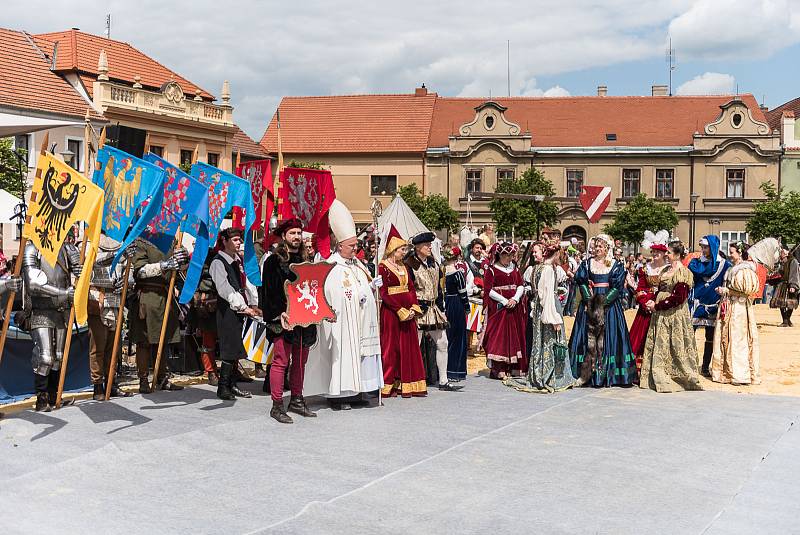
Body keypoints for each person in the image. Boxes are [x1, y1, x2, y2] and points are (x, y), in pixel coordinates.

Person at [309, 200, 383, 410]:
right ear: (339, 245)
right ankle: (339, 396)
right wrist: (357, 295)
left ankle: (356, 392)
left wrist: (371, 286)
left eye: (356, 245)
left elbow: (362, 287)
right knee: (342, 358)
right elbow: (332, 292)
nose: (355, 249)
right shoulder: (332, 266)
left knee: (359, 357)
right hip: (341, 322)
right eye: (351, 246)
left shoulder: (357, 264)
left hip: (359, 321)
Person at [260, 219, 318, 423]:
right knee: (281, 361)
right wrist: (278, 313)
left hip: (304, 319)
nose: (296, 237)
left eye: (298, 233)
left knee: (300, 362)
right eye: (292, 233)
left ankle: (297, 399)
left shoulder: (306, 260)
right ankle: (277, 406)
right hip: (282, 319)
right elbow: (267, 292)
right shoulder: (273, 261)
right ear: (284, 236)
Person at [569, 234, 636, 387]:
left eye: (601, 246)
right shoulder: (587, 264)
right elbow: (582, 282)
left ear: (607, 248)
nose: (597, 249)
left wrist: (603, 303)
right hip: (589, 305)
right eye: (596, 246)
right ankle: (586, 373)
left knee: (608, 338)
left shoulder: (615, 265)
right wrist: (590, 300)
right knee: (587, 337)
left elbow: (617, 287)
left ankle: (608, 375)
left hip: (609, 308)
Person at [508, 241, 575, 393]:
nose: (533, 254)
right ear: (555, 254)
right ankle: (550, 376)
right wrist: (553, 318)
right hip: (547, 309)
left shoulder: (538, 268)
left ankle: (539, 373)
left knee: (540, 340)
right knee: (550, 340)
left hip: (539, 308)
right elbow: (547, 297)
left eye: (536, 251)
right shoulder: (548, 270)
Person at [21, 241, 79, 411]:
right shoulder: (33, 249)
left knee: (59, 358)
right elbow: (33, 285)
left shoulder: (67, 248)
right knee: (45, 358)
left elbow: (80, 273)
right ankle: (41, 398)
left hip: (61, 310)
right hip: (41, 310)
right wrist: (62, 293)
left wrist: (79, 268)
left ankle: (54, 395)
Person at [639, 241, 702, 392]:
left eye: (668, 252)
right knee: (662, 343)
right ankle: (659, 372)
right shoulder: (666, 269)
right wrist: (652, 299)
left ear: (677, 255)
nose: (666, 254)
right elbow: (660, 289)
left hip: (674, 313)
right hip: (660, 314)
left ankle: (677, 376)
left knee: (674, 343)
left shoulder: (682, 272)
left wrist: (658, 305)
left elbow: (679, 298)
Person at [128, 237, 188, 393]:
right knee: (145, 341)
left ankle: (161, 377)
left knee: (164, 338)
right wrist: (166, 264)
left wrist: (183, 258)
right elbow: (139, 270)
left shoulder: (172, 240)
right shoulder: (142, 241)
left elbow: (181, 268)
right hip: (148, 294)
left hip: (165, 294)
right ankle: (143, 379)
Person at [209, 228, 262, 400]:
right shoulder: (218, 262)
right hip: (227, 309)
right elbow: (224, 289)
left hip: (240, 307)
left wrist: (253, 303)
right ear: (224, 241)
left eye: (240, 239)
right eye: (236, 239)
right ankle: (223, 387)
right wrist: (242, 306)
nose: (239, 242)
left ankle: (232, 385)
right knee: (229, 347)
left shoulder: (237, 259)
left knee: (236, 346)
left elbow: (246, 282)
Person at [406, 232, 462, 391]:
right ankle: (411, 380)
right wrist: (414, 307)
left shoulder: (433, 263)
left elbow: (438, 287)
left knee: (442, 342)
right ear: (417, 247)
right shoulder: (409, 264)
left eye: (430, 244)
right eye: (426, 245)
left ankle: (443, 380)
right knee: (414, 346)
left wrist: (440, 306)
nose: (430, 247)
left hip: (433, 308)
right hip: (417, 309)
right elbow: (408, 289)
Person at [378, 225, 427, 397]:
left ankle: (406, 383)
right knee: (391, 348)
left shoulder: (404, 266)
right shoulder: (382, 267)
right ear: (392, 249)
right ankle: (387, 383)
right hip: (392, 313)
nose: (404, 252)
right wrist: (399, 310)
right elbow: (383, 293)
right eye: (402, 249)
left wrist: (413, 307)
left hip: (408, 311)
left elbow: (411, 288)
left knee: (408, 347)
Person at [87, 234, 133, 400]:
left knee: (113, 350)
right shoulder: (89, 242)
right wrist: (117, 254)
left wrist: (127, 282)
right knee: (97, 348)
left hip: (116, 301)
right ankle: (97, 386)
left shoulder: (122, 244)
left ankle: (111, 384)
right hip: (97, 299)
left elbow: (131, 272)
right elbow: (90, 262)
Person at [711, 241, 761, 385]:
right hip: (729, 306)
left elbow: (748, 290)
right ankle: (727, 372)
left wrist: (726, 290)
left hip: (739, 308)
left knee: (738, 339)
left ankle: (740, 374)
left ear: (739, 253)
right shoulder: (734, 268)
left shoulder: (745, 269)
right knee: (726, 338)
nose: (730, 255)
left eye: (732, 252)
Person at [482, 241, 527, 379]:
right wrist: (504, 301)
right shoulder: (491, 270)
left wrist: (515, 299)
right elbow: (488, 290)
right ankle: (499, 368)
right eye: (506, 255)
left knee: (515, 335)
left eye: (511, 255)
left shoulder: (514, 268)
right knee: (499, 337)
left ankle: (514, 367)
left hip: (514, 307)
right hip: (499, 309)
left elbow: (520, 285)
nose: (509, 258)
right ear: (500, 255)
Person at [688, 236, 730, 377]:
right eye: (702, 247)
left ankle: (705, 366)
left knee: (710, 338)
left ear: (712, 247)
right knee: (689, 335)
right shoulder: (695, 263)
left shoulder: (724, 265)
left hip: (714, 305)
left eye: (705, 247)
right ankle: (689, 364)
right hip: (697, 304)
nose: (703, 250)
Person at [628, 230, 669, 379]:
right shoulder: (645, 269)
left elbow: (670, 289)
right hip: (646, 310)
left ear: (664, 253)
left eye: (658, 251)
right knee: (640, 338)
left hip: (661, 307)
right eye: (653, 251)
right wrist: (645, 302)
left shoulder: (669, 269)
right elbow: (640, 289)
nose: (655, 253)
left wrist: (658, 302)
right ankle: (638, 372)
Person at [442, 247, 469, 382]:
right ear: (457, 258)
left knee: (446, 337)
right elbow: (463, 292)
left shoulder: (442, 272)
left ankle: (444, 370)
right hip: (456, 303)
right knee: (458, 338)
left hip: (444, 303)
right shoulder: (457, 273)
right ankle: (455, 371)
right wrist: (467, 307)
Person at [770, 246, 800, 327]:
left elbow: (794, 274)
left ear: (787, 252)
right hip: (781, 284)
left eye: (783, 251)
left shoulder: (793, 261)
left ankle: (786, 320)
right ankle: (786, 320)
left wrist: (793, 285)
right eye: (781, 252)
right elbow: (776, 273)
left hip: (790, 284)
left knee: (791, 303)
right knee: (780, 303)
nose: (781, 253)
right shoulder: (780, 262)